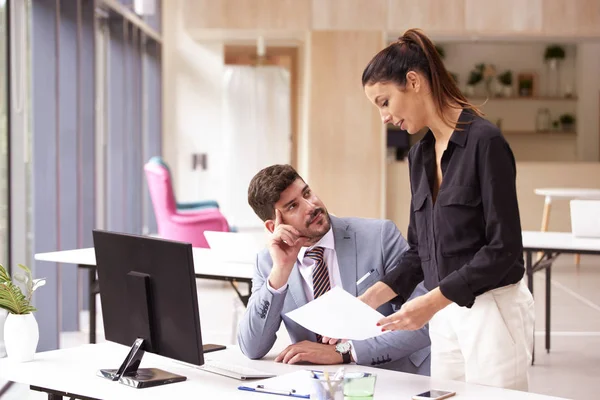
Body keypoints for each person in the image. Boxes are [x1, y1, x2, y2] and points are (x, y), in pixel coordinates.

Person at [359, 28, 534, 390]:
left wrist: (432, 300)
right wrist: (371, 298)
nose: (384, 117)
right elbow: (420, 250)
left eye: (384, 102)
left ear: (413, 81)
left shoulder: (486, 142)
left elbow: (504, 250)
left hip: (491, 311)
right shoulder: (418, 155)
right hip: (443, 313)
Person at [237, 164, 431, 375]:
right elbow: (251, 347)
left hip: (395, 377)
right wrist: (281, 272)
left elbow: (421, 324)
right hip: (320, 384)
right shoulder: (268, 262)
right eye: (293, 206)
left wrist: (343, 352)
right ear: (273, 227)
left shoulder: (380, 236)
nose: (311, 206)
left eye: (307, 193)